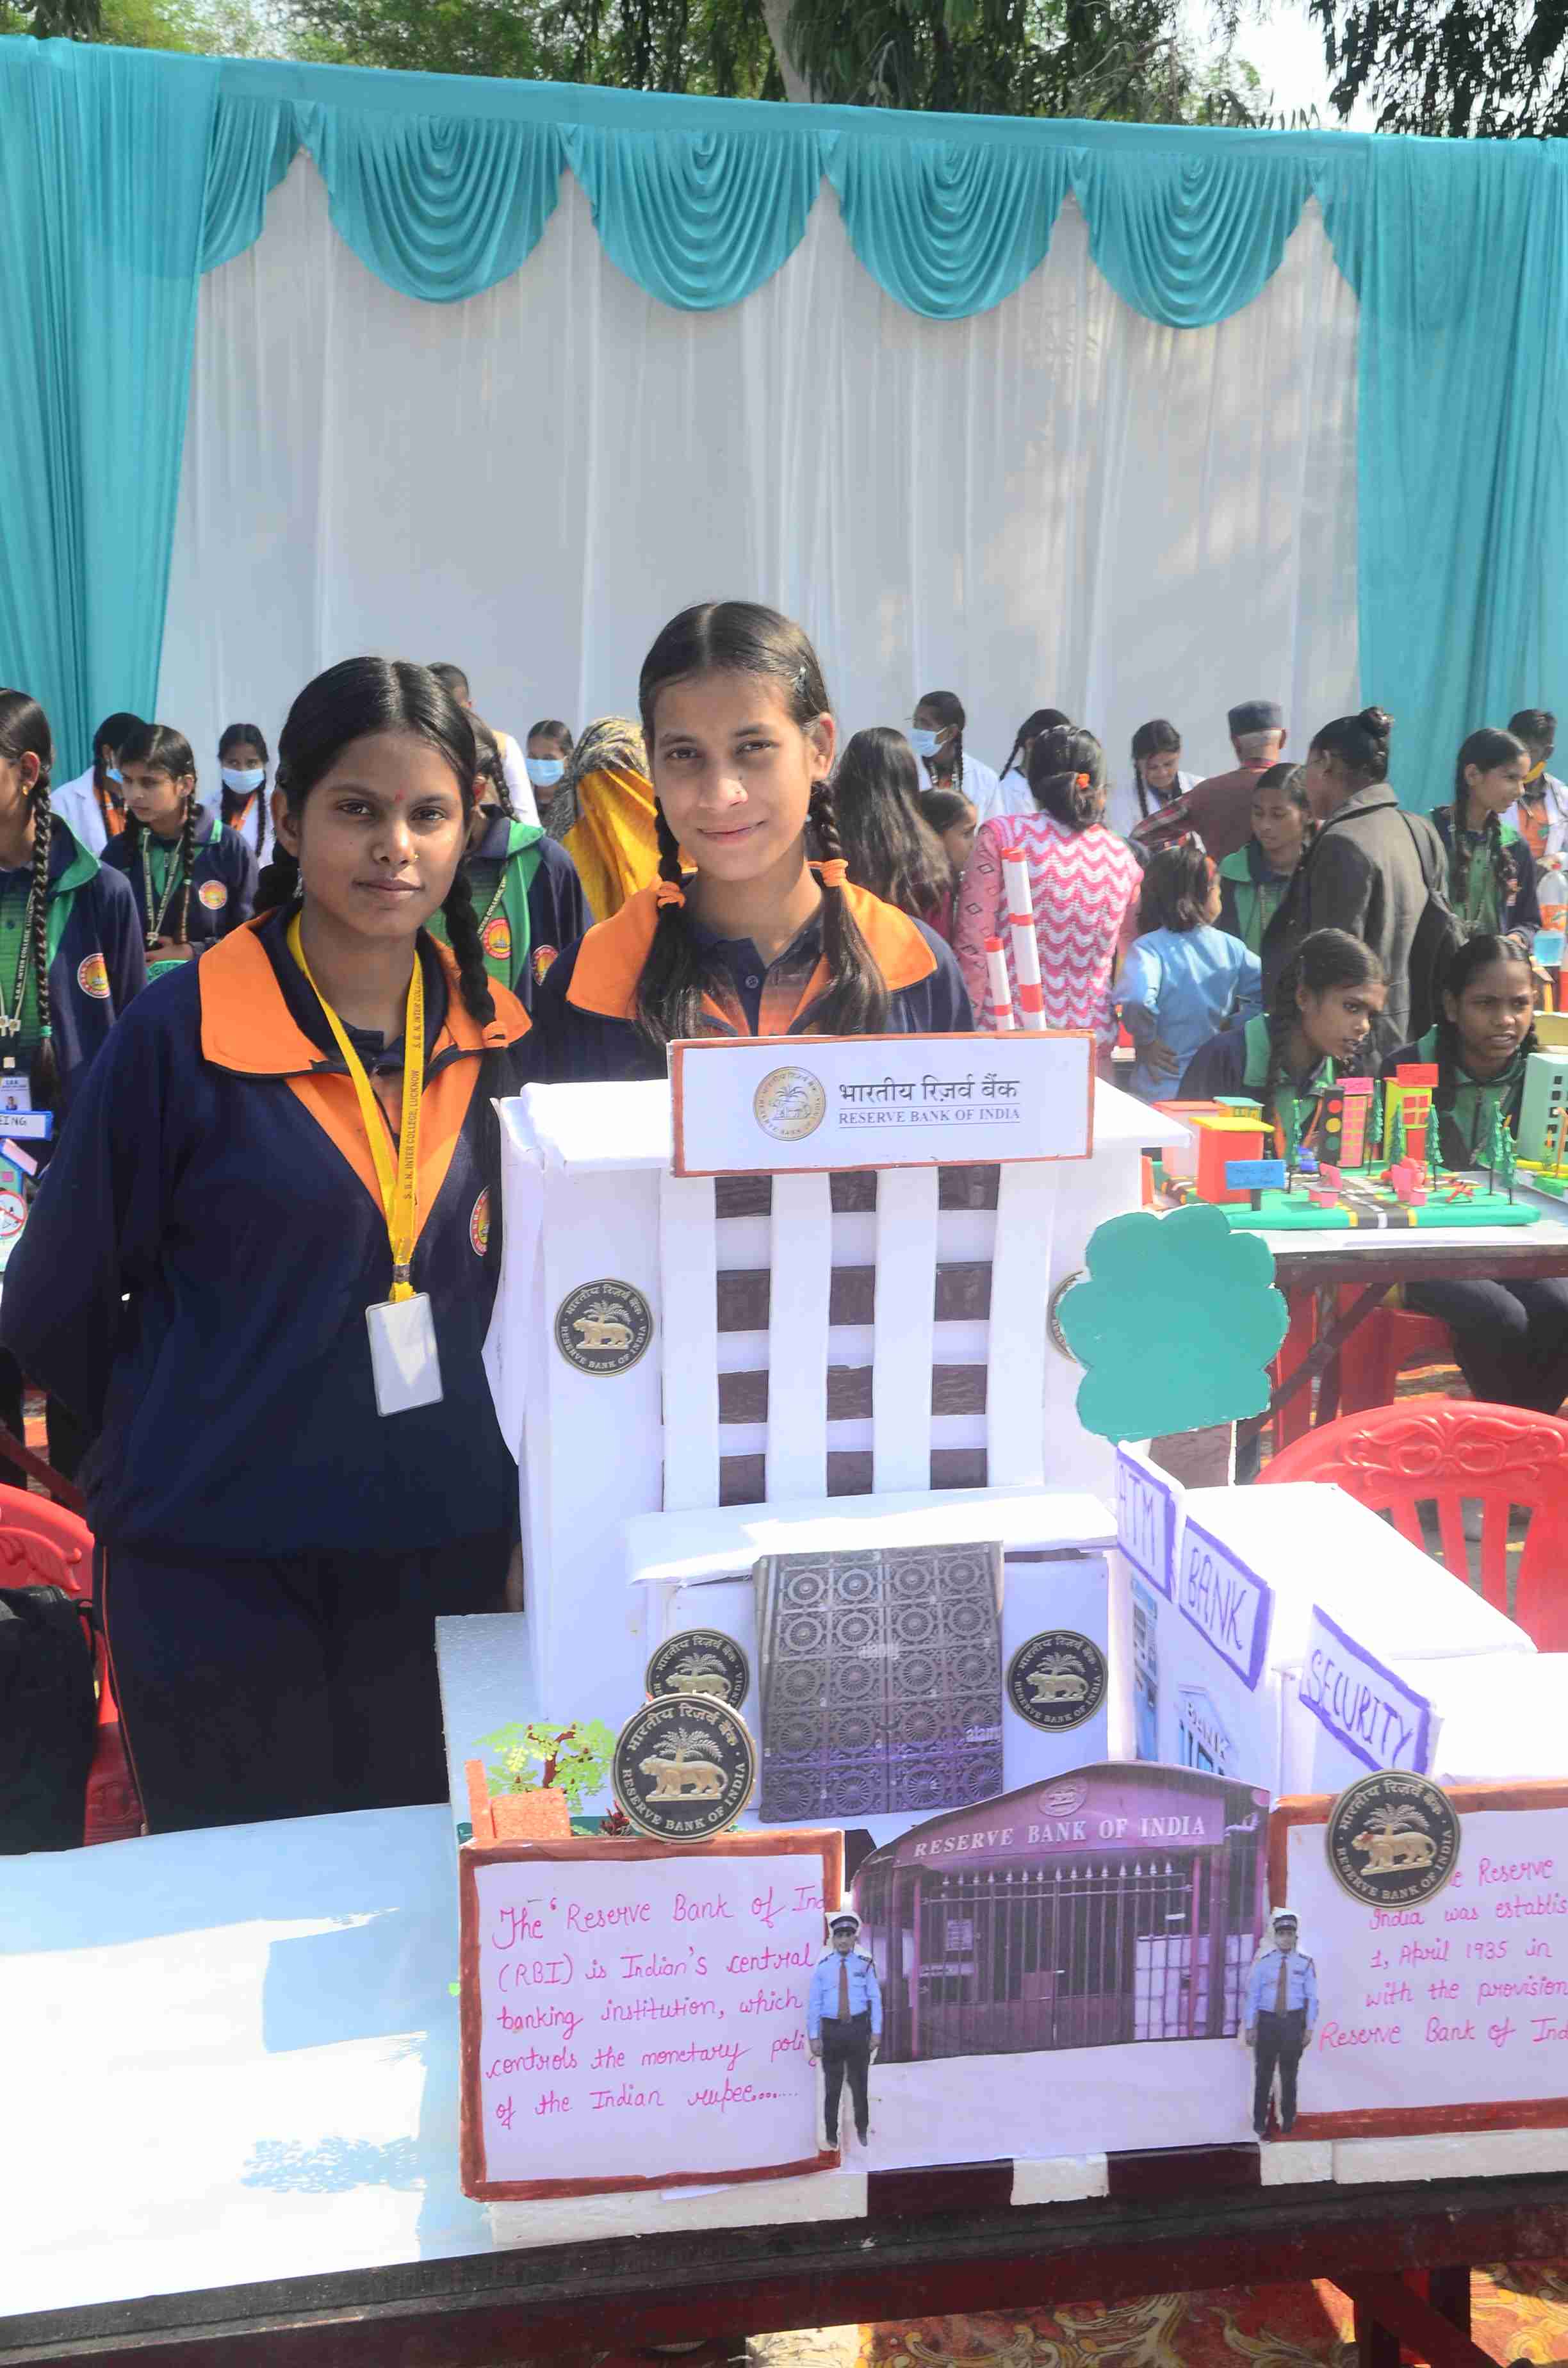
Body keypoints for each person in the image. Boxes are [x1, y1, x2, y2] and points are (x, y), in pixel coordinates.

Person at [0, 658, 534, 1834]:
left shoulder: (493, 1038)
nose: (394, 846)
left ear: (467, 829)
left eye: (428, 814)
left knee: (418, 1900)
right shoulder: (178, 1034)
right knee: (238, 1908)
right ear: (287, 818)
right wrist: (165, 1445)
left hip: (444, 1565)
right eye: (357, 809)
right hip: (217, 1575)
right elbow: (52, 1302)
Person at [530, 603, 972, 1083]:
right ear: (652, 764)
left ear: (820, 748)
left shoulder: (914, 967)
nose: (722, 794)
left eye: (753, 747)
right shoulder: (590, 981)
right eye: (684, 754)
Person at [0, 693, 147, 1476]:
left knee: (68, 1359)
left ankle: (82, 1531)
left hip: (73, 1163)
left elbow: (130, 1040)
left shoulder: (101, 892)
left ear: (28, 772)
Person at [1385, 935, 1568, 1414]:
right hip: (1422, 1248)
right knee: (1501, 1316)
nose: (1506, 1020)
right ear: (1452, 1006)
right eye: (1486, 1004)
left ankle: (1519, 1432)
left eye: (1519, 1004)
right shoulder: (1407, 1066)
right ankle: (1514, 1434)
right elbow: (1379, 1169)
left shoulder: (1548, 1076)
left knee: (1563, 1307)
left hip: (1521, 1245)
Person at [954, 723, 1141, 1048]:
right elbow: (1131, 957)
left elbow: (974, 945)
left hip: (1006, 1036)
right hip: (1089, 1041)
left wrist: (961, 1025)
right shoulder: (1121, 855)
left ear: (1033, 778)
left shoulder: (1002, 836)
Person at [1264, 706, 1439, 1048]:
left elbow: (1332, 965)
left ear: (1326, 763)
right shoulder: (1420, 831)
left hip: (1353, 1044)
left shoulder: (1342, 843)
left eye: (1308, 767)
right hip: (1413, 1041)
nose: (1305, 782)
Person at [432, 714, 588, 1008]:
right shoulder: (405, 865)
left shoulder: (543, 864)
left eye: (427, 804)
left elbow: (583, 981)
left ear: (476, 791)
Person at [1179, 929, 1387, 1139]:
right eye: (1351, 1007)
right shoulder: (1224, 1058)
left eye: (1371, 1016)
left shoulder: (1350, 1074)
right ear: (1303, 997)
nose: (1364, 1026)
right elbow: (1185, 1152)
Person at [104, 724, 258, 983]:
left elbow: (254, 937)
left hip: (212, 995)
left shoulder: (228, 849)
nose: (135, 794)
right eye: (127, 780)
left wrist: (193, 952)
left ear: (185, 785)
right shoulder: (117, 853)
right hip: (136, 1000)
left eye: (149, 782)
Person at [1113, 844, 1261, 1102]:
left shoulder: (1149, 948)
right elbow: (1270, 991)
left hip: (1159, 1089)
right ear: (1205, 893)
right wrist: (1236, 1027)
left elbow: (1137, 999)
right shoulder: (1231, 948)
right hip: (1212, 1091)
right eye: (1218, 889)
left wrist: (1146, 1039)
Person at [543, 715, 661, 921]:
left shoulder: (683, 850)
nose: (609, 796)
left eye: (627, 780)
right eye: (598, 782)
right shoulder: (555, 858)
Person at [1433, 728, 1539, 951]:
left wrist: (1517, 938)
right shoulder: (1428, 834)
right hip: (1436, 968)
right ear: (1472, 775)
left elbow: (1529, 921)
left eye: (1523, 780)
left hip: (1492, 969)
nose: (1521, 791)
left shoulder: (1514, 845)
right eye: (1511, 778)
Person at [833, 728, 952, 926]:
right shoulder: (928, 854)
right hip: (912, 945)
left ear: (845, 776)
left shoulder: (825, 840)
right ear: (910, 779)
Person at [1143, 700, 1287, 864]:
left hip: (1224, 880)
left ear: (1236, 743)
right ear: (1283, 738)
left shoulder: (1205, 793)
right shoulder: (1298, 788)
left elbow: (1143, 835)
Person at [1216, 764, 1312, 956]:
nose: (1265, 825)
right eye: (1258, 813)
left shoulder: (1321, 871)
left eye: (1278, 815)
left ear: (1308, 815)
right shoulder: (1232, 871)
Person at [428, 661, 540, 827]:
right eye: (441, 712)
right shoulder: (411, 749)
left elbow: (527, 823)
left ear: (469, 707)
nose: (449, 720)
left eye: (456, 711)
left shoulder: (503, 746)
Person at [806, 1909, 881, 2150]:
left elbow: (875, 1999)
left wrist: (876, 2031)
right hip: (832, 2032)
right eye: (839, 1936)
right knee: (833, 2085)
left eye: (848, 1936)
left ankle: (862, 2128)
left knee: (859, 2084)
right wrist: (814, 2037)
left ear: (854, 1938)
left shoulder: (864, 1965)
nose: (843, 1941)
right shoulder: (823, 1968)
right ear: (833, 1938)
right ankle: (831, 2133)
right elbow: (815, 2004)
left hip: (858, 2030)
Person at [1243, 1908, 1317, 2138]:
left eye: (1289, 1934)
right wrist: (1250, 2026)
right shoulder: (1264, 1964)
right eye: (1281, 1934)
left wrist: (1309, 2028)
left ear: (1296, 1937)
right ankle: (1259, 2121)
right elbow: (1253, 1996)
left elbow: (1312, 1998)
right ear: (1275, 1937)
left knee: (1289, 2074)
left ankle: (1288, 2120)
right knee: (1263, 2074)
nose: (1285, 1938)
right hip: (1267, 2022)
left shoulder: (1305, 1964)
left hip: (1293, 2023)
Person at [52, 709, 142, 856]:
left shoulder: (145, 797)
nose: (139, 764)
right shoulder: (63, 802)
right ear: (108, 753)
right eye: (133, 755)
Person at [910, 690, 1004, 826]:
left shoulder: (985, 778)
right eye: (915, 722)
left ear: (951, 732)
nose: (917, 729)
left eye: (926, 724)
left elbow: (995, 832)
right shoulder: (905, 771)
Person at [1120, 718, 1202, 840]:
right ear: (1137, 764)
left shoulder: (1200, 787)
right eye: (1153, 767)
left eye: (1168, 764)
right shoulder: (1120, 800)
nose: (1162, 773)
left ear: (1179, 754)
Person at [1505, 708, 1567, 866]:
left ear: (1547, 752)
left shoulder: (1562, 797)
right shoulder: (1492, 788)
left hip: (1546, 880)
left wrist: (1556, 861)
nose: (1517, 758)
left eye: (1528, 751)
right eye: (1513, 748)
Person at [918, 784, 978, 942]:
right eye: (966, 833)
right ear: (935, 836)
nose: (974, 843)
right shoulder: (929, 891)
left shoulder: (948, 883)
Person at [992, 706, 1072, 823]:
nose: (1063, 756)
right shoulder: (1006, 790)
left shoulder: (1064, 790)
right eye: (1057, 748)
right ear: (1030, 744)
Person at [218, 721, 274, 869]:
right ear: (221, 763)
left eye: (252, 763)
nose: (242, 771)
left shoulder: (277, 807)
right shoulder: (205, 810)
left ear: (264, 764)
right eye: (234, 763)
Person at [524, 719, 574, 812]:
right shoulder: (516, 796)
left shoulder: (579, 801)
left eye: (548, 758)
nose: (539, 764)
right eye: (533, 757)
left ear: (567, 760)